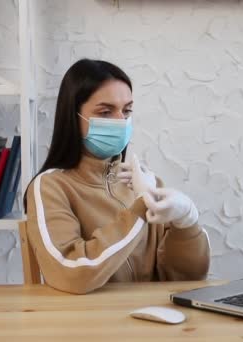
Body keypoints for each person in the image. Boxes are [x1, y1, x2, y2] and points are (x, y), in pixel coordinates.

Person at [25, 59, 210, 294]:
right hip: (92, 324)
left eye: (127, 110)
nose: (121, 121)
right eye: (105, 111)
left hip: (150, 321)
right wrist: (141, 207)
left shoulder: (145, 183)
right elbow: (70, 274)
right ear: (73, 116)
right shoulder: (51, 186)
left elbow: (187, 279)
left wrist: (186, 222)